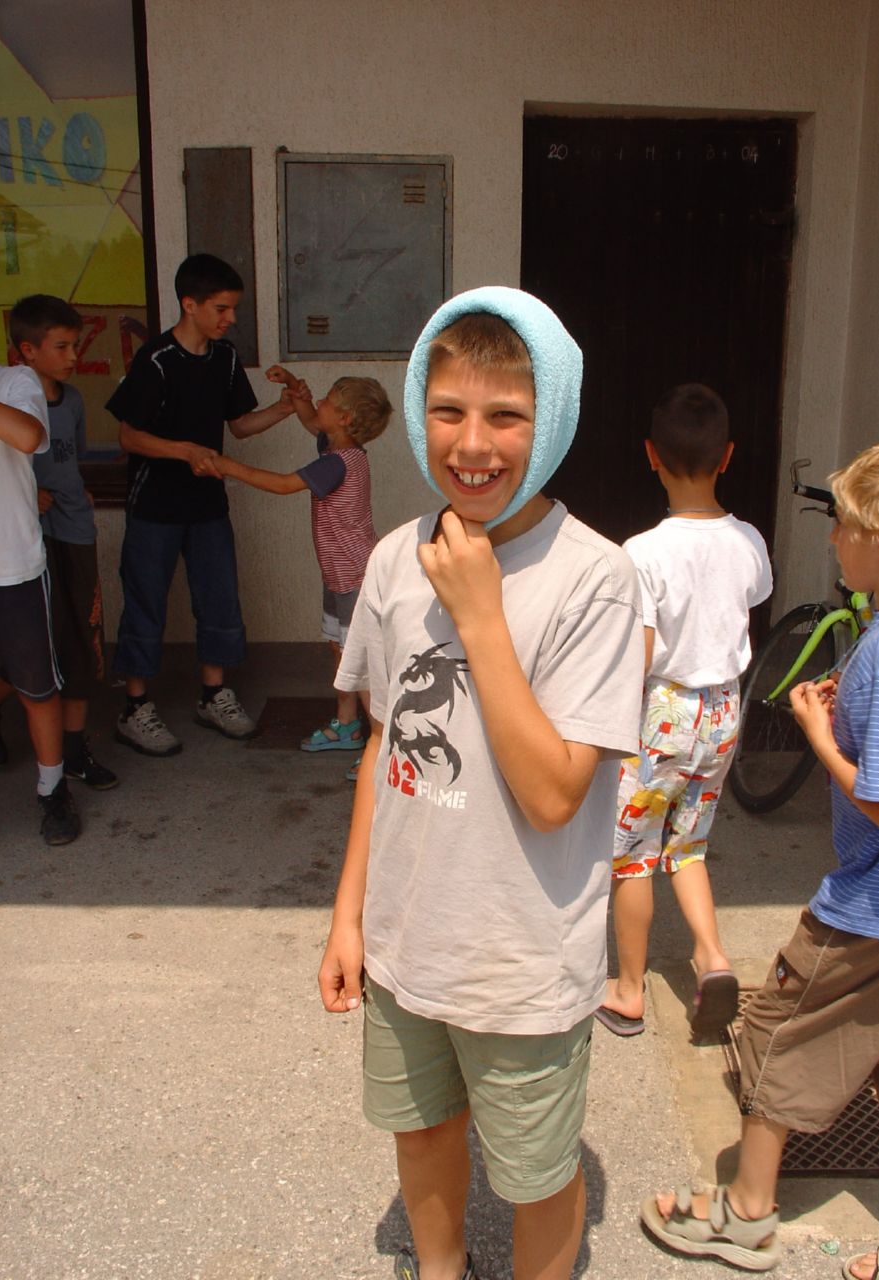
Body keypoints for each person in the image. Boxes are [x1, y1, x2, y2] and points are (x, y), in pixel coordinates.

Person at [318, 286, 646, 1280]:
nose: (473, 443)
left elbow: (554, 795)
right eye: (448, 409)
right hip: (406, 939)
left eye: (507, 415)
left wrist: (480, 614)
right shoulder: (393, 558)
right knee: (421, 1130)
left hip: (521, 961)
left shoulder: (596, 578)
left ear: (553, 421)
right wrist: (348, 915)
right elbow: (385, 747)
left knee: (535, 1173)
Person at [641, 434, 879, 1280]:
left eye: (842, 525)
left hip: (877, 904)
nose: (831, 538)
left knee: (778, 1029)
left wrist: (819, 735)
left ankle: (746, 1215)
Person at [597, 384, 772, 1038]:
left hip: (662, 713)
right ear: (727, 456)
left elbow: (638, 655)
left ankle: (628, 990)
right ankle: (712, 957)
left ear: (651, 455)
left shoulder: (642, 551)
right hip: (723, 710)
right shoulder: (748, 540)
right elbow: (748, 601)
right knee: (689, 846)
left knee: (634, 855)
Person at [106, 253, 297, 756]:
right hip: (153, 505)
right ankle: (135, 706)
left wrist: (284, 409)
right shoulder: (155, 359)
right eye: (221, 308)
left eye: (233, 308)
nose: (230, 318)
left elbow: (240, 425)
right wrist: (185, 451)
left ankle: (213, 696)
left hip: (208, 504)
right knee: (145, 600)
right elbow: (128, 435)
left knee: (218, 597)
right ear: (189, 304)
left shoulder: (225, 358)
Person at [207, 365, 392, 776]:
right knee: (340, 651)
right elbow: (310, 418)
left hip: (354, 579)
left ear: (344, 418)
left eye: (328, 400)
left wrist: (227, 465)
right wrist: (294, 387)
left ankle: (380, 746)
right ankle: (348, 725)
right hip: (339, 576)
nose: (319, 402)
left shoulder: (336, 463)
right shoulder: (337, 445)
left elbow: (282, 484)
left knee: (358, 663)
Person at [0, 295, 118, 790]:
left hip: (70, 534)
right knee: (28, 651)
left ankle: (72, 750)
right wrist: (34, 493)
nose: (72, 356)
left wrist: (73, 490)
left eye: (75, 345)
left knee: (79, 643)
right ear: (27, 350)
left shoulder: (67, 400)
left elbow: (68, 458)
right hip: (28, 540)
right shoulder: (13, 391)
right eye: (62, 346)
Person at [0, 360, 81, 844]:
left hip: (13, 568)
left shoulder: (14, 381)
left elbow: (28, 437)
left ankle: (53, 789)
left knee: (37, 687)